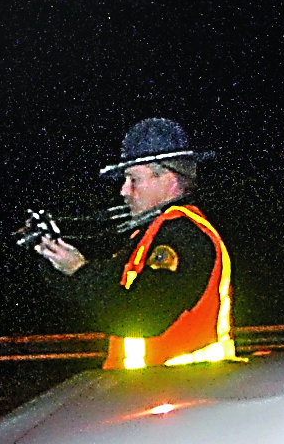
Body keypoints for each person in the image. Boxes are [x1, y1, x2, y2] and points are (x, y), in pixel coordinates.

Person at [32, 117, 235, 369]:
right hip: (152, 392)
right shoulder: (150, 236)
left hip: (182, 392)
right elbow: (106, 289)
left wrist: (79, 271)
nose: (124, 191)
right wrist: (58, 263)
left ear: (169, 180)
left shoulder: (183, 237)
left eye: (133, 180)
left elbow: (143, 317)